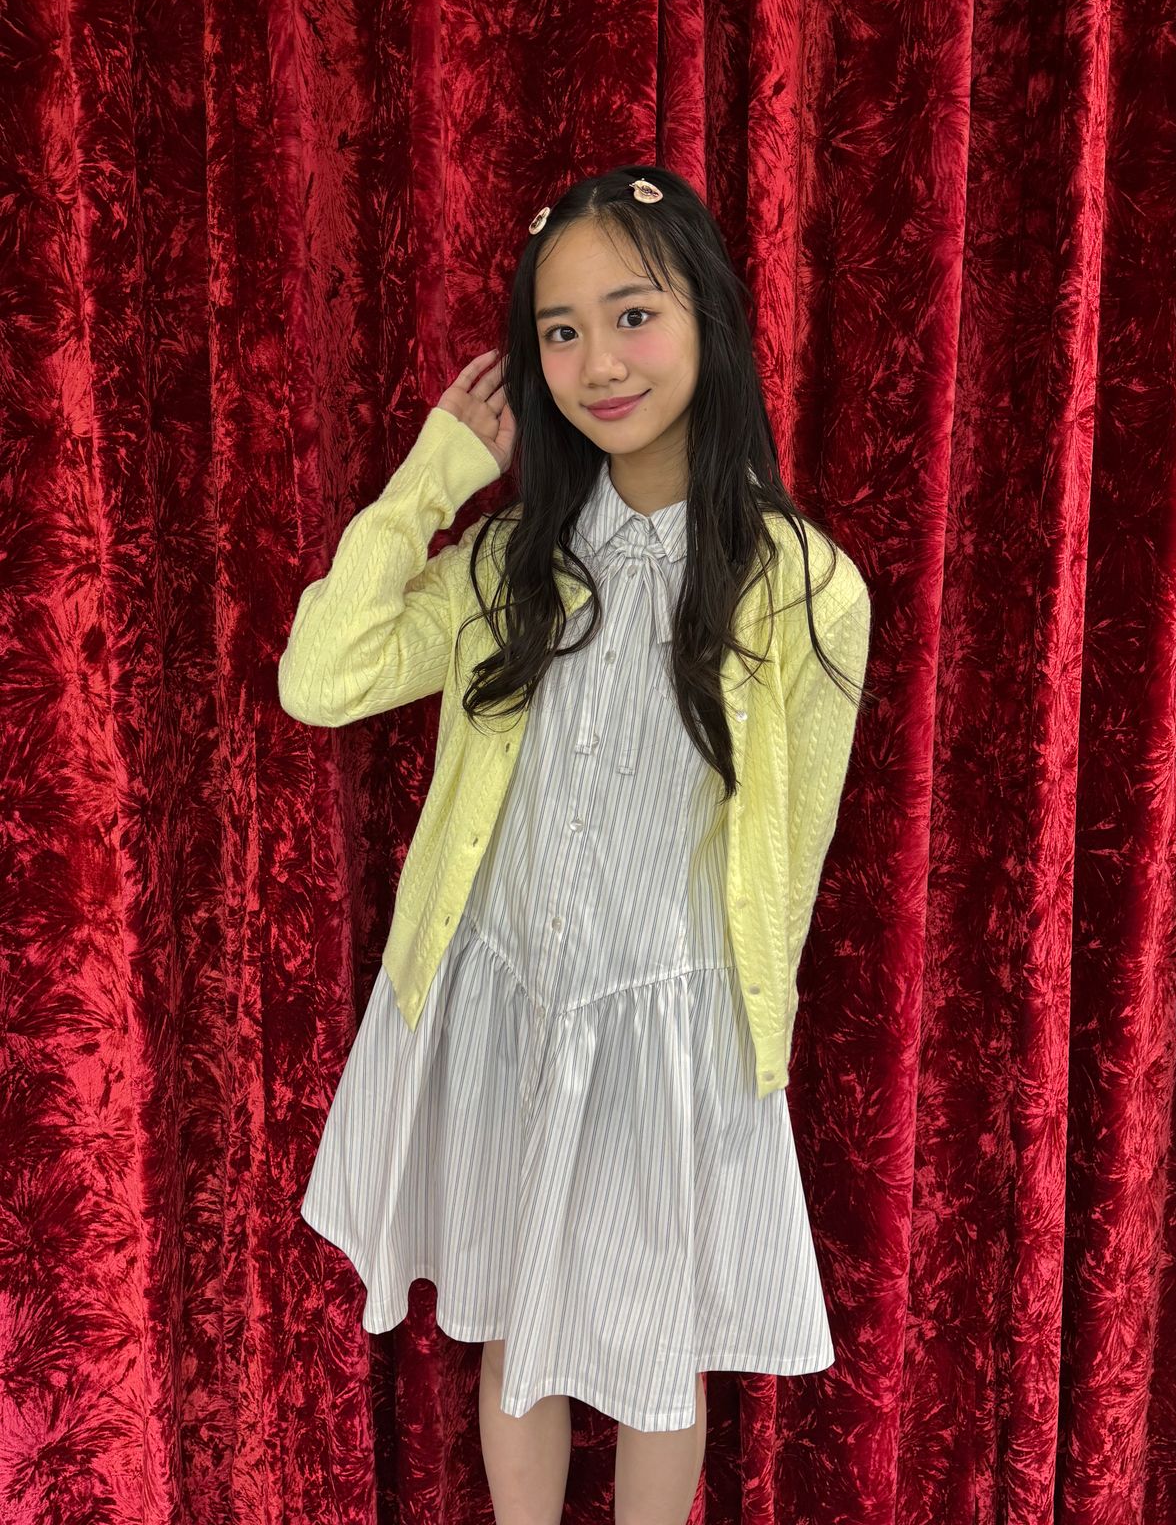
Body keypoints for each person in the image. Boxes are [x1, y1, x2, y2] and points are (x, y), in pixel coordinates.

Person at [277, 165, 875, 1525]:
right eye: (560, 331)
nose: (599, 362)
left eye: (633, 315)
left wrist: (742, 1057)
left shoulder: (804, 588)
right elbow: (321, 678)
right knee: (515, 1330)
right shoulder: (511, 566)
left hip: (670, 1030)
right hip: (508, 1004)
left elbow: (793, 858)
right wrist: (438, 472)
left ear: (708, 319)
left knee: (659, 1363)